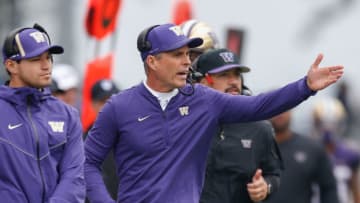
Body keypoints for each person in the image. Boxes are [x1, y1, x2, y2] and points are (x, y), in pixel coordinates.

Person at [84, 23, 343, 203]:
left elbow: (260, 106)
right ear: (152, 61)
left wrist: (305, 86)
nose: (187, 61)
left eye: (188, 54)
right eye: (177, 55)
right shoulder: (119, 107)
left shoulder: (204, 100)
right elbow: (87, 162)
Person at [0, 24, 85, 202]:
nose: (46, 65)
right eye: (36, 59)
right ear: (11, 65)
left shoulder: (67, 115)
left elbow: (74, 177)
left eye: (48, 57)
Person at [192, 48, 282, 203]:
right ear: (202, 82)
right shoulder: (184, 123)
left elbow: (273, 174)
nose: (233, 81)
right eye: (224, 75)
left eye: (236, 75)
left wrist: (265, 186)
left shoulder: (260, 128)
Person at [267, 110, 339, 203]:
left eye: (284, 107)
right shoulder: (254, 147)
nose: (280, 113)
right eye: (275, 107)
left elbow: (328, 188)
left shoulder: (312, 148)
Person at [312, 97, 360, 203]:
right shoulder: (307, 152)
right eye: (323, 124)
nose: (328, 129)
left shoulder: (350, 154)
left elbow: (355, 188)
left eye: (333, 124)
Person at [84, 79, 120, 201]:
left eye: (111, 101)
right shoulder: (81, 141)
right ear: (93, 104)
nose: (107, 106)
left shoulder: (133, 136)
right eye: (102, 101)